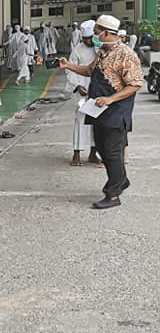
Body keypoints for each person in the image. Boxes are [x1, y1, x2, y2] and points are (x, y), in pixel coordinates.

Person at [59, 14, 143, 210]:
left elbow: (135, 84)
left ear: (106, 33)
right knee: (103, 150)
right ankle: (121, 180)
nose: (95, 36)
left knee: (113, 152)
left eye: (97, 33)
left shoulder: (126, 54)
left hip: (116, 111)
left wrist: (111, 99)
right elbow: (90, 71)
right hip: (98, 109)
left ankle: (113, 194)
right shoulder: (102, 52)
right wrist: (68, 65)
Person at [66, 20, 101, 168]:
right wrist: (77, 86)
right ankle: (77, 154)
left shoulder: (100, 49)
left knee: (96, 123)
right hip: (82, 91)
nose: (88, 41)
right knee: (80, 121)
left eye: (91, 38)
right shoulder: (77, 50)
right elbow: (69, 70)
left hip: (97, 90)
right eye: (86, 39)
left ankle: (93, 153)